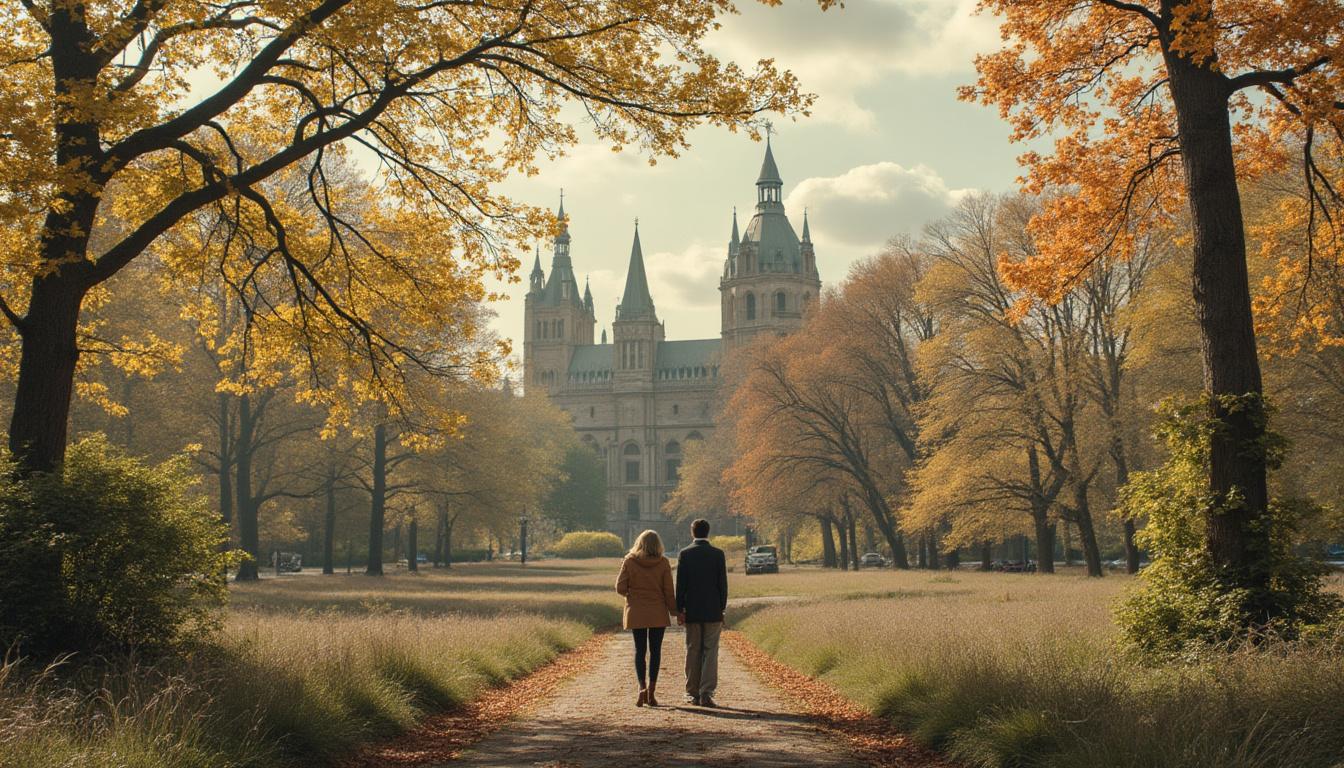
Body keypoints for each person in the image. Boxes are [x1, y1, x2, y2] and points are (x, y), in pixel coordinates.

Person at [615, 529, 677, 707]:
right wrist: (674, 611)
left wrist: (631, 595)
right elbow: (668, 591)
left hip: (637, 611)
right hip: (657, 611)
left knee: (640, 650)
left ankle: (641, 687)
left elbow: (620, 587)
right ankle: (652, 690)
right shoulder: (663, 562)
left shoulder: (630, 561)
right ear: (658, 545)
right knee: (655, 651)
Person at [676, 518, 728, 707]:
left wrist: (679, 609)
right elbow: (722, 584)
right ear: (708, 532)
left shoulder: (685, 554)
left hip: (692, 609)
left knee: (693, 650)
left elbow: (680, 585)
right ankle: (706, 692)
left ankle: (692, 692)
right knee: (711, 651)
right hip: (713, 609)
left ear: (692, 532)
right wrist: (722, 607)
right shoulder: (718, 554)